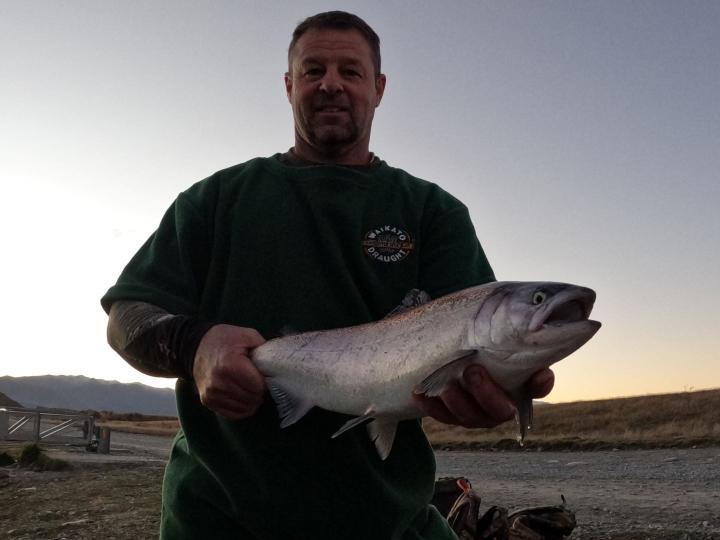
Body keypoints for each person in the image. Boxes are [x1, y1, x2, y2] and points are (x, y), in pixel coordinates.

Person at [102, 11, 554, 540]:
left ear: (379, 89)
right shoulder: (214, 200)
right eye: (313, 70)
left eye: (351, 71)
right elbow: (127, 315)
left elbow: (477, 340)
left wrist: (494, 389)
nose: (331, 84)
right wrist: (195, 345)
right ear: (289, 85)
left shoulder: (433, 212)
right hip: (217, 520)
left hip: (390, 522)